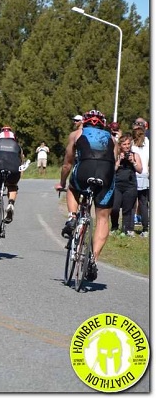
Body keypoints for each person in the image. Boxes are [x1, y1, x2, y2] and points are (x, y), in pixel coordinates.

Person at [55, 110, 117, 282]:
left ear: (85, 122)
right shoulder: (112, 138)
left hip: (84, 171)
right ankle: (93, 259)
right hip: (106, 175)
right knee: (103, 219)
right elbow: (115, 162)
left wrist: (62, 182)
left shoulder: (76, 134)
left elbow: (67, 163)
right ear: (103, 124)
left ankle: (72, 217)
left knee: (72, 188)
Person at [110, 133, 142, 237]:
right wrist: (119, 161)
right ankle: (114, 226)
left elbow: (140, 170)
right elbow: (112, 170)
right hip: (117, 185)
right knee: (114, 207)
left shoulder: (135, 155)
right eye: (124, 144)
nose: (127, 146)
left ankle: (126, 229)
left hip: (130, 185)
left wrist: (133, 162)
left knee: (127, 209)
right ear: (120, 145)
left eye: (128, 144)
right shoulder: (116, 155)